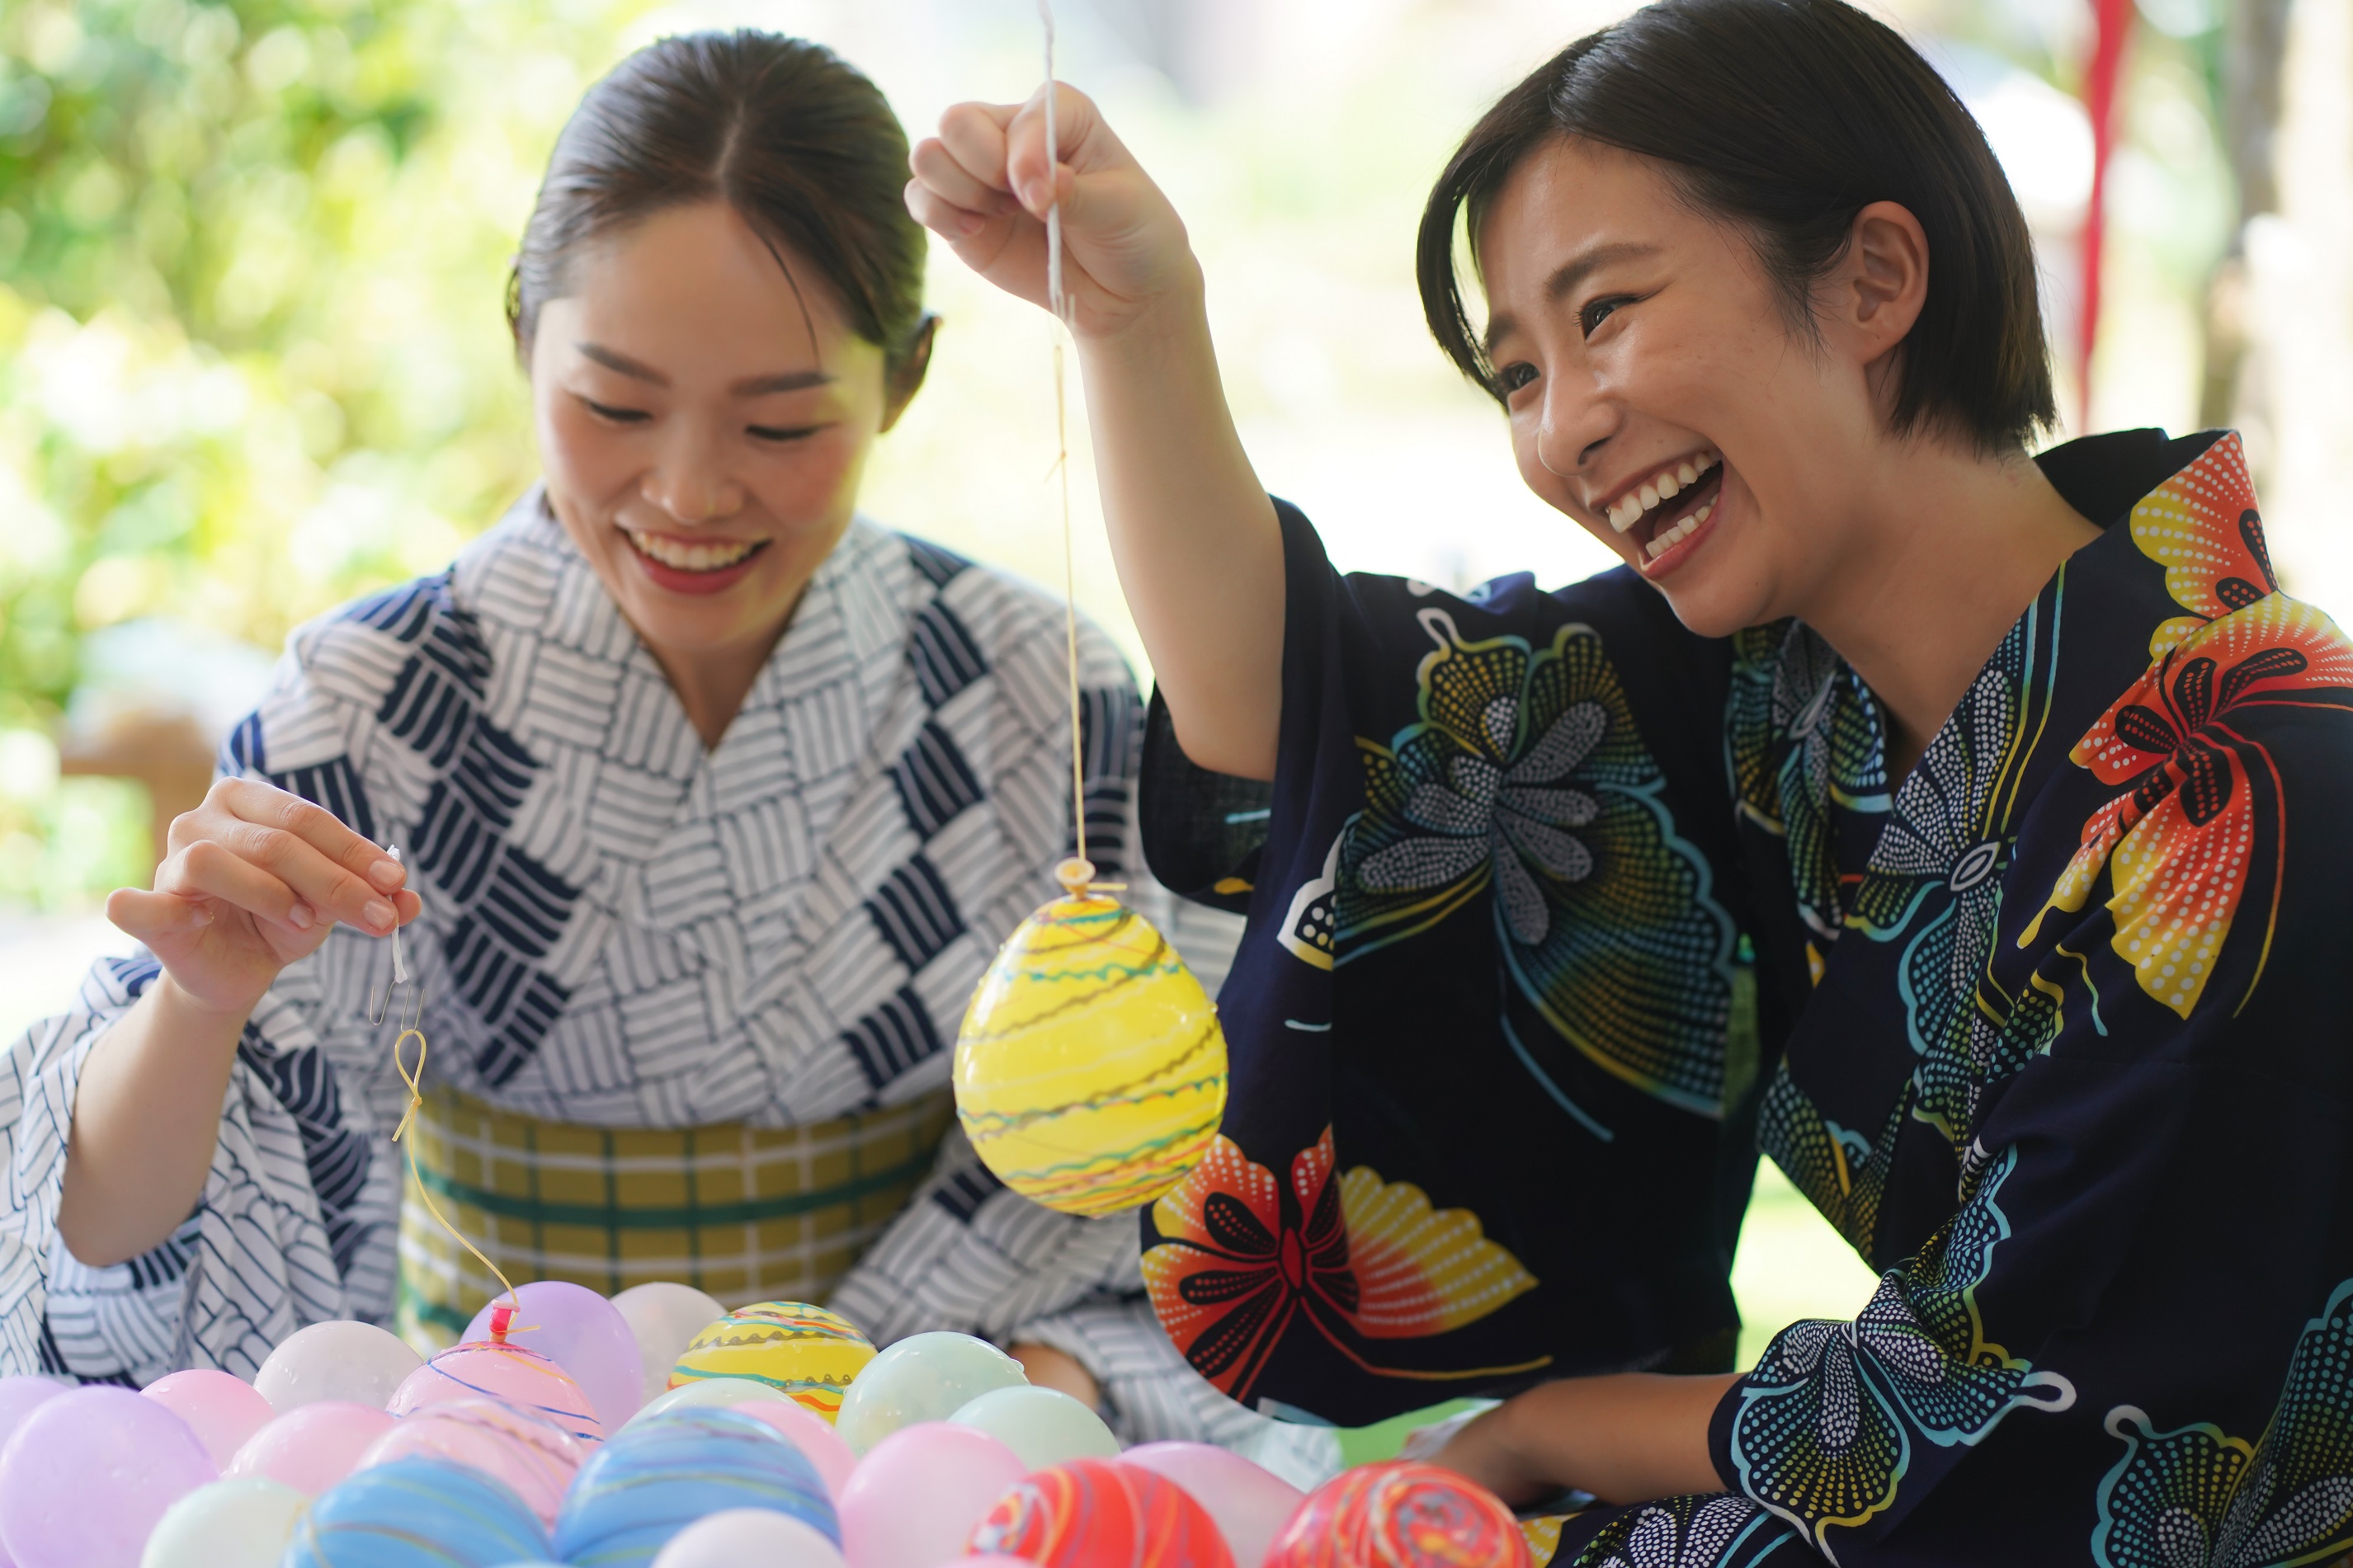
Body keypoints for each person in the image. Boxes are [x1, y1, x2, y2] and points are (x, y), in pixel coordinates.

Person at [906, 0, 2353, 1559]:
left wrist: (1544, 1433)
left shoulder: (2251, 772)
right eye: (1517, 373)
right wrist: (1135, 321)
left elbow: (2041, 1417)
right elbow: (1312, 714)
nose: (1563, 432)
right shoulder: (1780, 688)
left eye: (1605, 312)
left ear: (1874, 278)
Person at [0, 29, 1323, 1467]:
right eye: (616, 406)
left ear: (904, 379)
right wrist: (194, 1008)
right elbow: (132, 1266)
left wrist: (1018, 1395)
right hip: (501, 1458)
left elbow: (1184, 1149)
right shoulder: (373, 699)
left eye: (781, 423)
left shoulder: (1020, 684)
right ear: (524, 340)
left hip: (917, 1447)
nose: (689, 492)